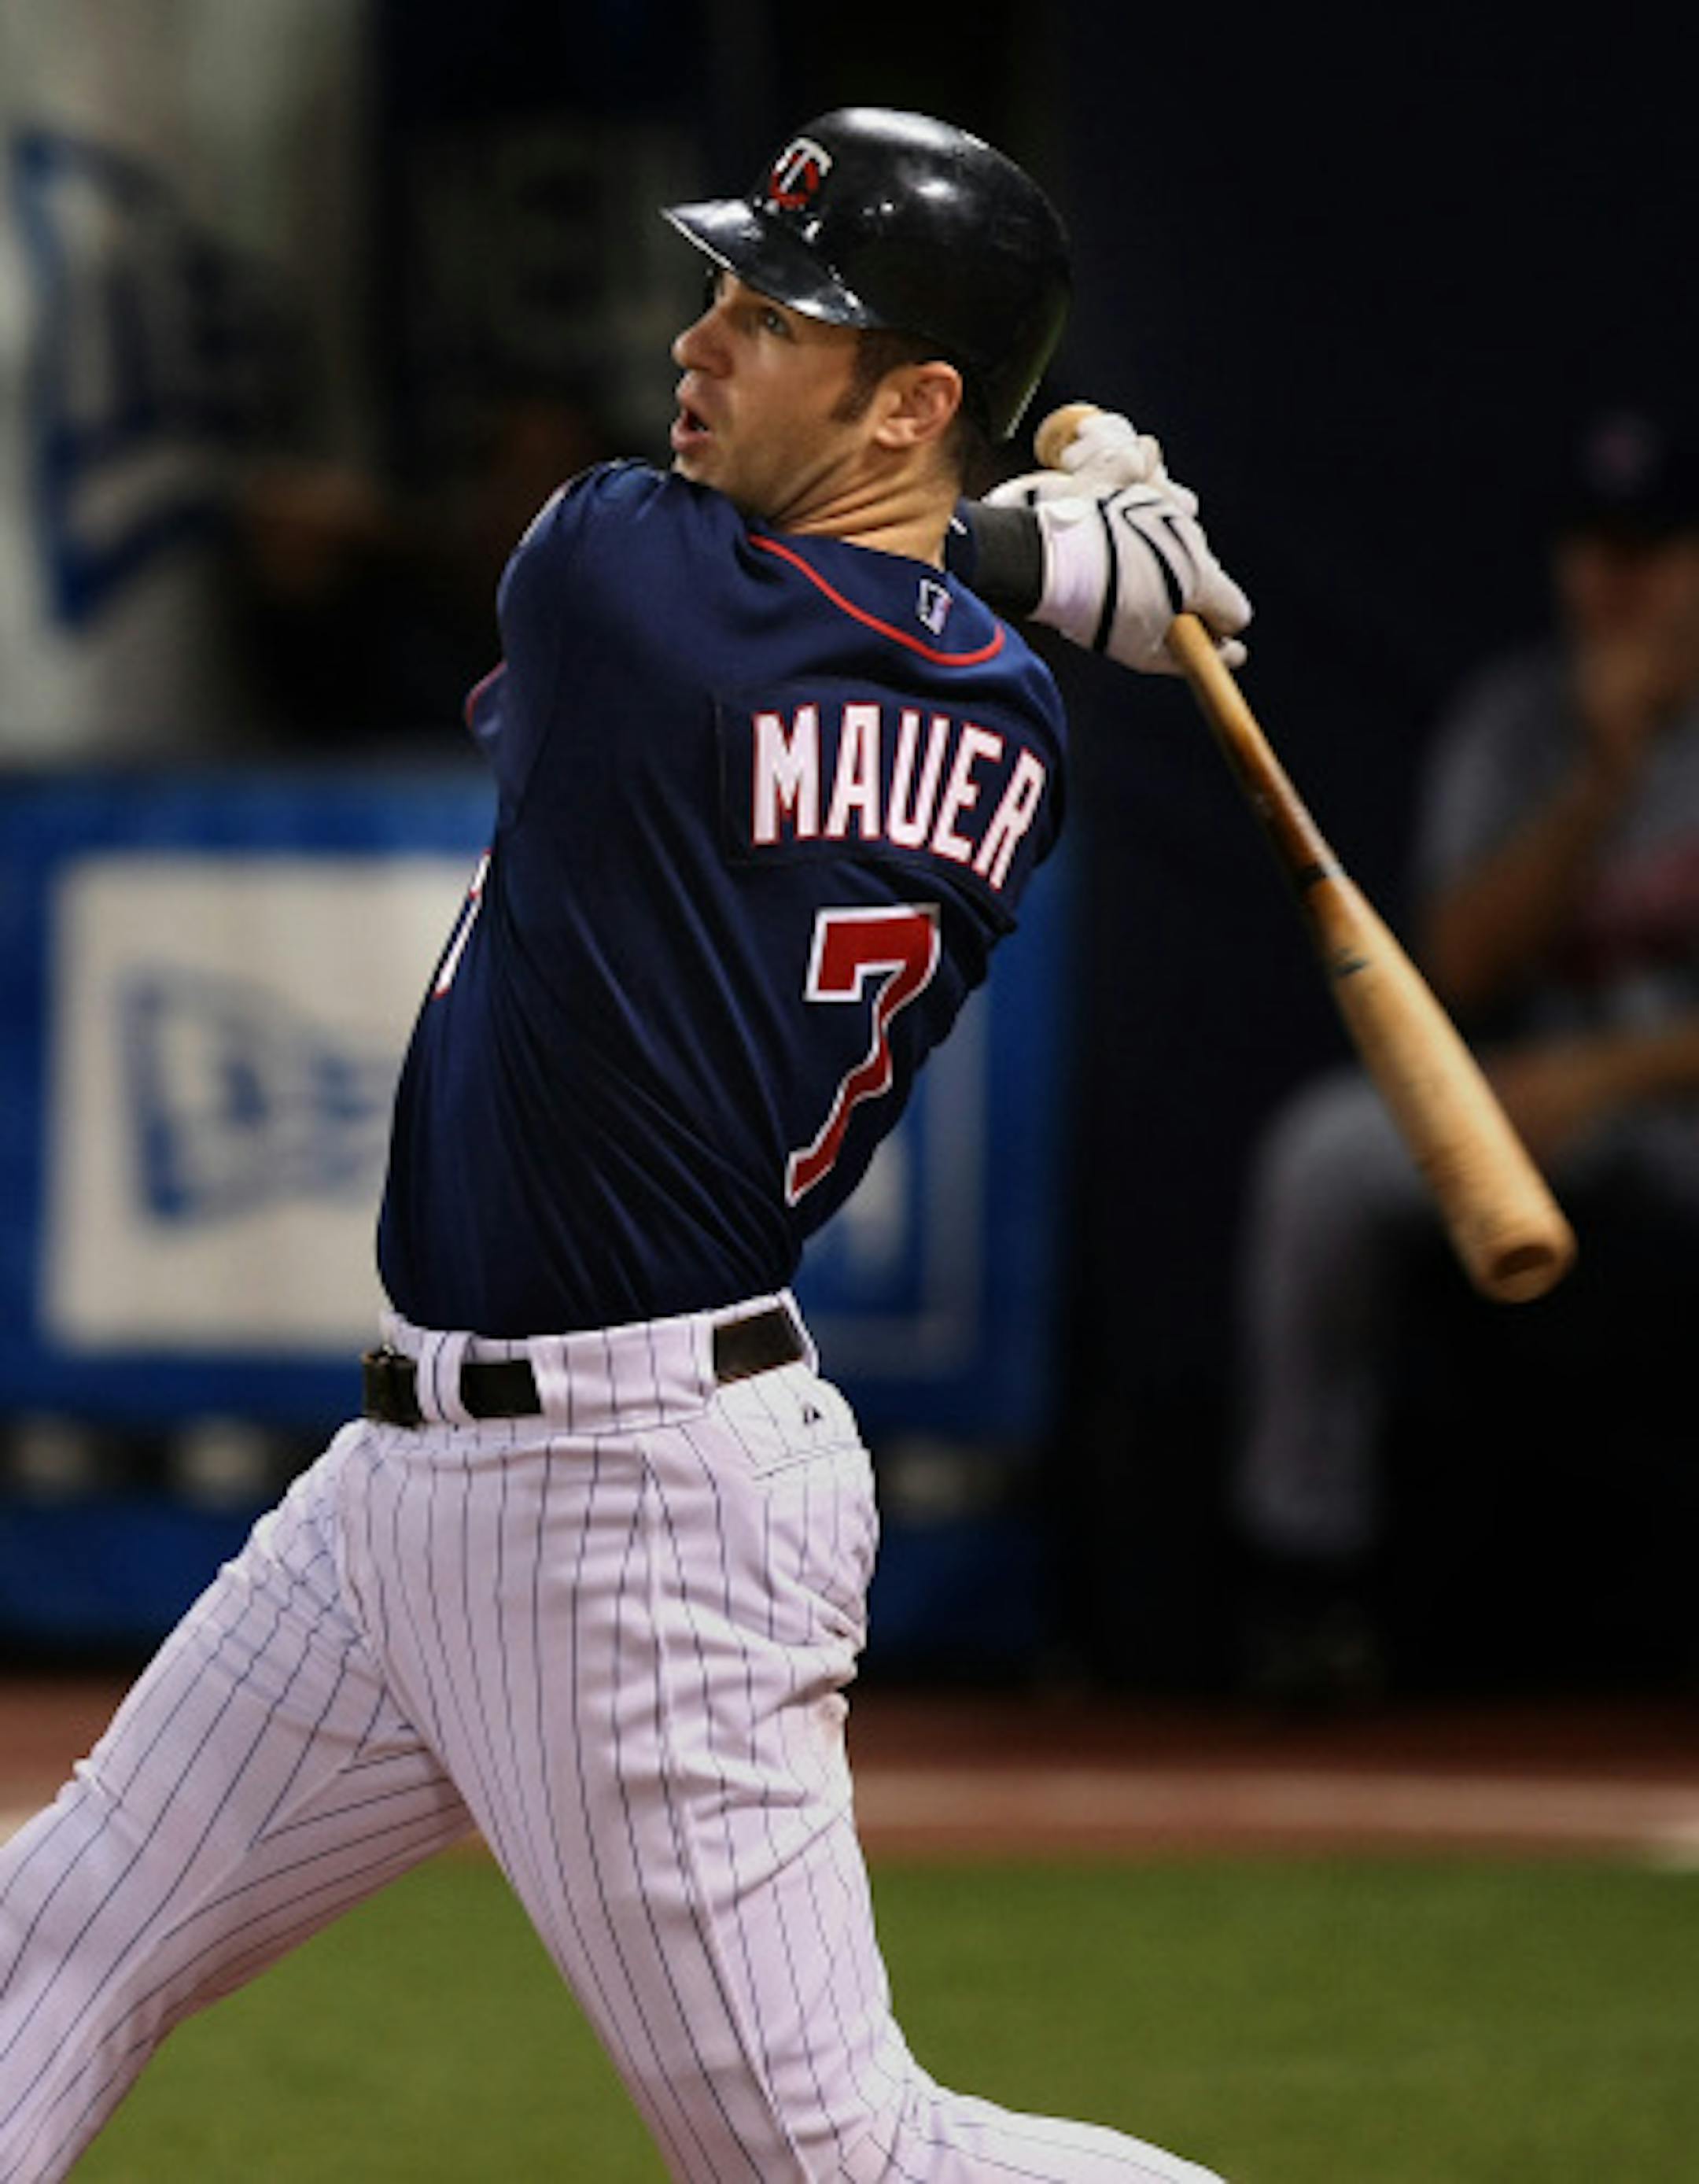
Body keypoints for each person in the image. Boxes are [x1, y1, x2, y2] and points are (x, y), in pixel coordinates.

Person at [0, 108, 1249, 2182]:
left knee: (834, 2159)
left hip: (621, 1509)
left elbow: (755, 587)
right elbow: (884, 599)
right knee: (58, 1940)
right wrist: (1037, 540)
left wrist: (1026, 528)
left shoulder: (617, 585)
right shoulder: (1012, 713)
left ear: (914, 397)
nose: (701, 340)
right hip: (421, 1492)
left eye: (774, 317)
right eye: (726, 293)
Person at [1230, 408, 1699, 1701]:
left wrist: (1596, 1079)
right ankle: (1305, 1580)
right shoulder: (1520, 718)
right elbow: (1461, 963)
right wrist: (1605, 772)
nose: (1615, 583)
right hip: (1527, 1102)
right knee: (1325, 1160)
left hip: (1661, 1108)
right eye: (1594, 549)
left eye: (1652, 551)